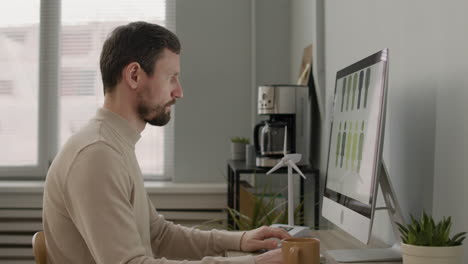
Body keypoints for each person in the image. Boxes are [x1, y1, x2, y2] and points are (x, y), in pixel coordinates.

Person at [43, 21, 291, 264]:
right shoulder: (97, 155)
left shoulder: (114, 145)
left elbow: (158, 235)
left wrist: (240, 240)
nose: (179, 91)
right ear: (134, 75)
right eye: (171, 77)